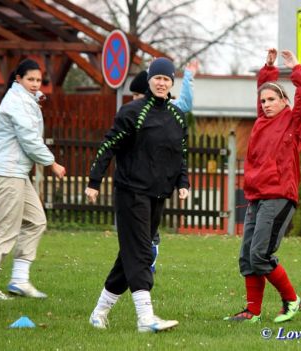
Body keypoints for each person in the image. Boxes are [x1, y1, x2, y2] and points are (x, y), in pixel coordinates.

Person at [85, 57, 190, 332]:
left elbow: (180, 155)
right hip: (131, 191)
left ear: (171, 83)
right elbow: (108, 145)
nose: (161, 82)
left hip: (158, 195)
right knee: (143, 252)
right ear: (149, 80)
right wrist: (94, 181)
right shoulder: (132, 112)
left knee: (129, 255)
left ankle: (99, 312)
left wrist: (183, 182)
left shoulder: (177, 117)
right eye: (157, 78)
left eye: (166, 79)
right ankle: (146, 318)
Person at [224, 49, 301, 323]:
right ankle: (251, 312)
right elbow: (262, 92)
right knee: (247, 257)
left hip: (279, 196)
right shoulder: (262, 122)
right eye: (262, 100)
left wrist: (296, 68)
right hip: (257, 197)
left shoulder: (294, 122)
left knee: (260, 254)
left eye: (271, 99)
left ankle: (291, 301)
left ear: (285, 101)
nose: (265, 104)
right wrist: (268, 68)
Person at [0, 59, 66, 300]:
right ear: (18, 79)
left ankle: (19, 281)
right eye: (30, 80)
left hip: (16, 173)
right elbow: (29, 139)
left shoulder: (26, 101)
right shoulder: (16, 102)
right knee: (4, 229)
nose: (36, 84)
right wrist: (52, 163)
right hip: (6, 172)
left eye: (38, 80)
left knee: (36, 221)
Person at [129, 60, 198, 273]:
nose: (137, 101)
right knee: (134, 225)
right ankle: (138, 259)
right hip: (134, 178)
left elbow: (185, 103)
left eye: (139, 96)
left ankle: (149, 257)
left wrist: (188, 76)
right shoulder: (130, 114)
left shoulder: (170, 110)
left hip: (158, 178)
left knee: (150, 225)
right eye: (135, 97)